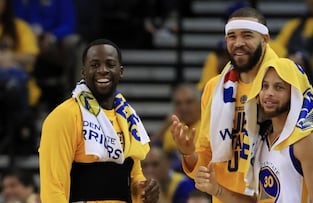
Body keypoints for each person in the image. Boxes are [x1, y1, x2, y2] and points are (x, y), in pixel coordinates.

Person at [171, 7, 279, 203]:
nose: (238, 43)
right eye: (231, 36)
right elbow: (206, 159)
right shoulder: (214, 87)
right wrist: (188, 154)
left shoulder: (281, 83)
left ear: (265, 39)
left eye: (247, 35)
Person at [194, 58, 313, 203]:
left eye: (279, 87)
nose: (269, 93)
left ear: (294, 92)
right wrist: (216, 189)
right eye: (264, 86)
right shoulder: (260, 138)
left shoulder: (308, 139)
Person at [38, 39, 160, 203]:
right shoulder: (63, 116)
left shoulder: (127, 116)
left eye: (110, 64)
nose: (103, 70)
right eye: (94, 65)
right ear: (83, 72)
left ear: (121, 71)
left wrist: (143, 190)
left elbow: (133, 174)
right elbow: (53, 188)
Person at [0, 0, 40, 154]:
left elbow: (31, 57)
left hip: (18, 86)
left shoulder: (19, 27)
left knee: (15, 84)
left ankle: (18, 138)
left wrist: (10, 57)